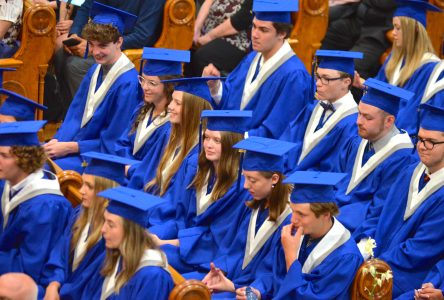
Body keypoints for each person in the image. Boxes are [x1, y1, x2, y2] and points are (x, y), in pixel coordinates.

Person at [182, 136, 296, 298]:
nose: (245, 185)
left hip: (252, 293)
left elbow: (273, 273)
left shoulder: (290, 220)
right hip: (231, 281)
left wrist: (249, 290)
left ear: (274, 179)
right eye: (244, 177)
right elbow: (231, 246)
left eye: (253, 180)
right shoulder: (252, 202)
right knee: (179, 284)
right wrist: (219, 270)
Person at [354, 103, 444, 297]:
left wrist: (373, 266)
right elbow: (379, 213)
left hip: (410, 274)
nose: (421, 146)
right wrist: (364, 249)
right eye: (419, 139)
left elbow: (420, 249)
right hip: (380, 258)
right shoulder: (410, 171)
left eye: (431, 142)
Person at [43, 2, 141, 173]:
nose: (95, 52)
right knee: (27, 157)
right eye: (92, 44)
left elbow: (115, 140)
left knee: (41, 169)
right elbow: (74, 115)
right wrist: (57, 141)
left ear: (119, 42)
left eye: (103, 46)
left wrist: (71, 147)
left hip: (100, 157)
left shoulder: (127, 83)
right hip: (76, 146)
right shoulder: (95, 69)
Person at [237, 171, 363, 299]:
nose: (293, 220)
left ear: (326, 214)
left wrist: (291, 258)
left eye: (301, 214)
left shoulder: (345, 257)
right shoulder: (297, 231)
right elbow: (271, 273)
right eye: (292, 211)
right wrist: (257, 292)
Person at [153, 110, 252, 268]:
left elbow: (217, 238)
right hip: (183, 243)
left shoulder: (240, 188)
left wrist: (167, 243)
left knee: (151, 257)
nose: (208, 145)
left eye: (217, 140)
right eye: (206, 137)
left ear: (232, 144)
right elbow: (181, 217)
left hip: (206, 256)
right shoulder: (196, 169)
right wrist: (155, 235)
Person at [203, 0, 311, 139]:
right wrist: (215, 86)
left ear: (282, 33)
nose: (254, 34)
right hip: (232, 143)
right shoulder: (252, 58)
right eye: (254, 26)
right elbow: (232, 99)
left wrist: (235, 139)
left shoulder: (294, 75)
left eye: (263, 30)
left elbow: (280, 129)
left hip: (259, 155)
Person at [42, 152, 137, 300]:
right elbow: (60, 253)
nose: (81, 191)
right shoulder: (80, 213)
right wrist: (53, 284)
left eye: (89, 186)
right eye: (83, 184)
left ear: (106, 192)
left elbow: (88, 286)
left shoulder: (111, 238)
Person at [54, 0, 164, 112]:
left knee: (75, 66)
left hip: (124, 49)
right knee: (61, 55)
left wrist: (98, 47)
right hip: (99, 41)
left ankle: (89, 117)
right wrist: (74, 34)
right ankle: (70, 115)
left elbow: (142, 36)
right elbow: (86, 8)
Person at [336, 78, 416, 232]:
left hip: (358, 230)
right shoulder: (357, 142)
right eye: (359, 114)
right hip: (334, 216)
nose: (358, 122)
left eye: (368, 117)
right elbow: (337, 180)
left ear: (389, 121)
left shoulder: (402, 158)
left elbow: (382, 211)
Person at [0, 121, 72, 288]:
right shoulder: (10, 184)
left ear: (24, 160)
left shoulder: (45, 206)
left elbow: (29, 269)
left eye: (4, 156)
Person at [359, 0, 443, 136]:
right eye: (393, 27)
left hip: (404, 136)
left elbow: (412, 112)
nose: (393, 33)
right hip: (384, 127)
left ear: (413, 31)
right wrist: (363, 83)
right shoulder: (394, 60)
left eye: (398, 28)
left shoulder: (431, 69)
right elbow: (382, 89)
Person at [81, 186, 174, 299]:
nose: (103, 229)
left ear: (130, 231)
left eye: (111, 225)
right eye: (104, 221)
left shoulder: (153, 277)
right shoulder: (115, 255)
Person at [280, 50, 362, 172]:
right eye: (317, 77)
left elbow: (335, 167)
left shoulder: (353, 124)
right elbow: (289, 140)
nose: (318, 84)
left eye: (326, 79)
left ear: (346, 82)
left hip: (314, 187)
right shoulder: (312, 108)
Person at [127, 77, 213, 192]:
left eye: (177, 103)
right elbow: (148, 170)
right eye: (172, 100)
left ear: (193, 110)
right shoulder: (170, 135)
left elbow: (179, 198)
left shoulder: (200, 151)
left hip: (164, 207)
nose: (170, 106)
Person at [114, 47, 189, 180]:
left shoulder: (172, 124)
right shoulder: (142, 108)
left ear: (169, 86)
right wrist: (125, 163)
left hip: (145, 182)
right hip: (123, 171)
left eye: (152, 83)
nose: (144, 87)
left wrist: (131, 169)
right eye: (142, 79)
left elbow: (160, 166)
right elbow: (122, 142)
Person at [186, 0, 253, 77]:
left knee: (202, 56)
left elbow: (241, 20)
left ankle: (203, 88)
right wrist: (196, 28)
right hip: (206, 31)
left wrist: (207, 38)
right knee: (182, 49)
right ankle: (179, 86)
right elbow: (209, 1)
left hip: (237, 40)